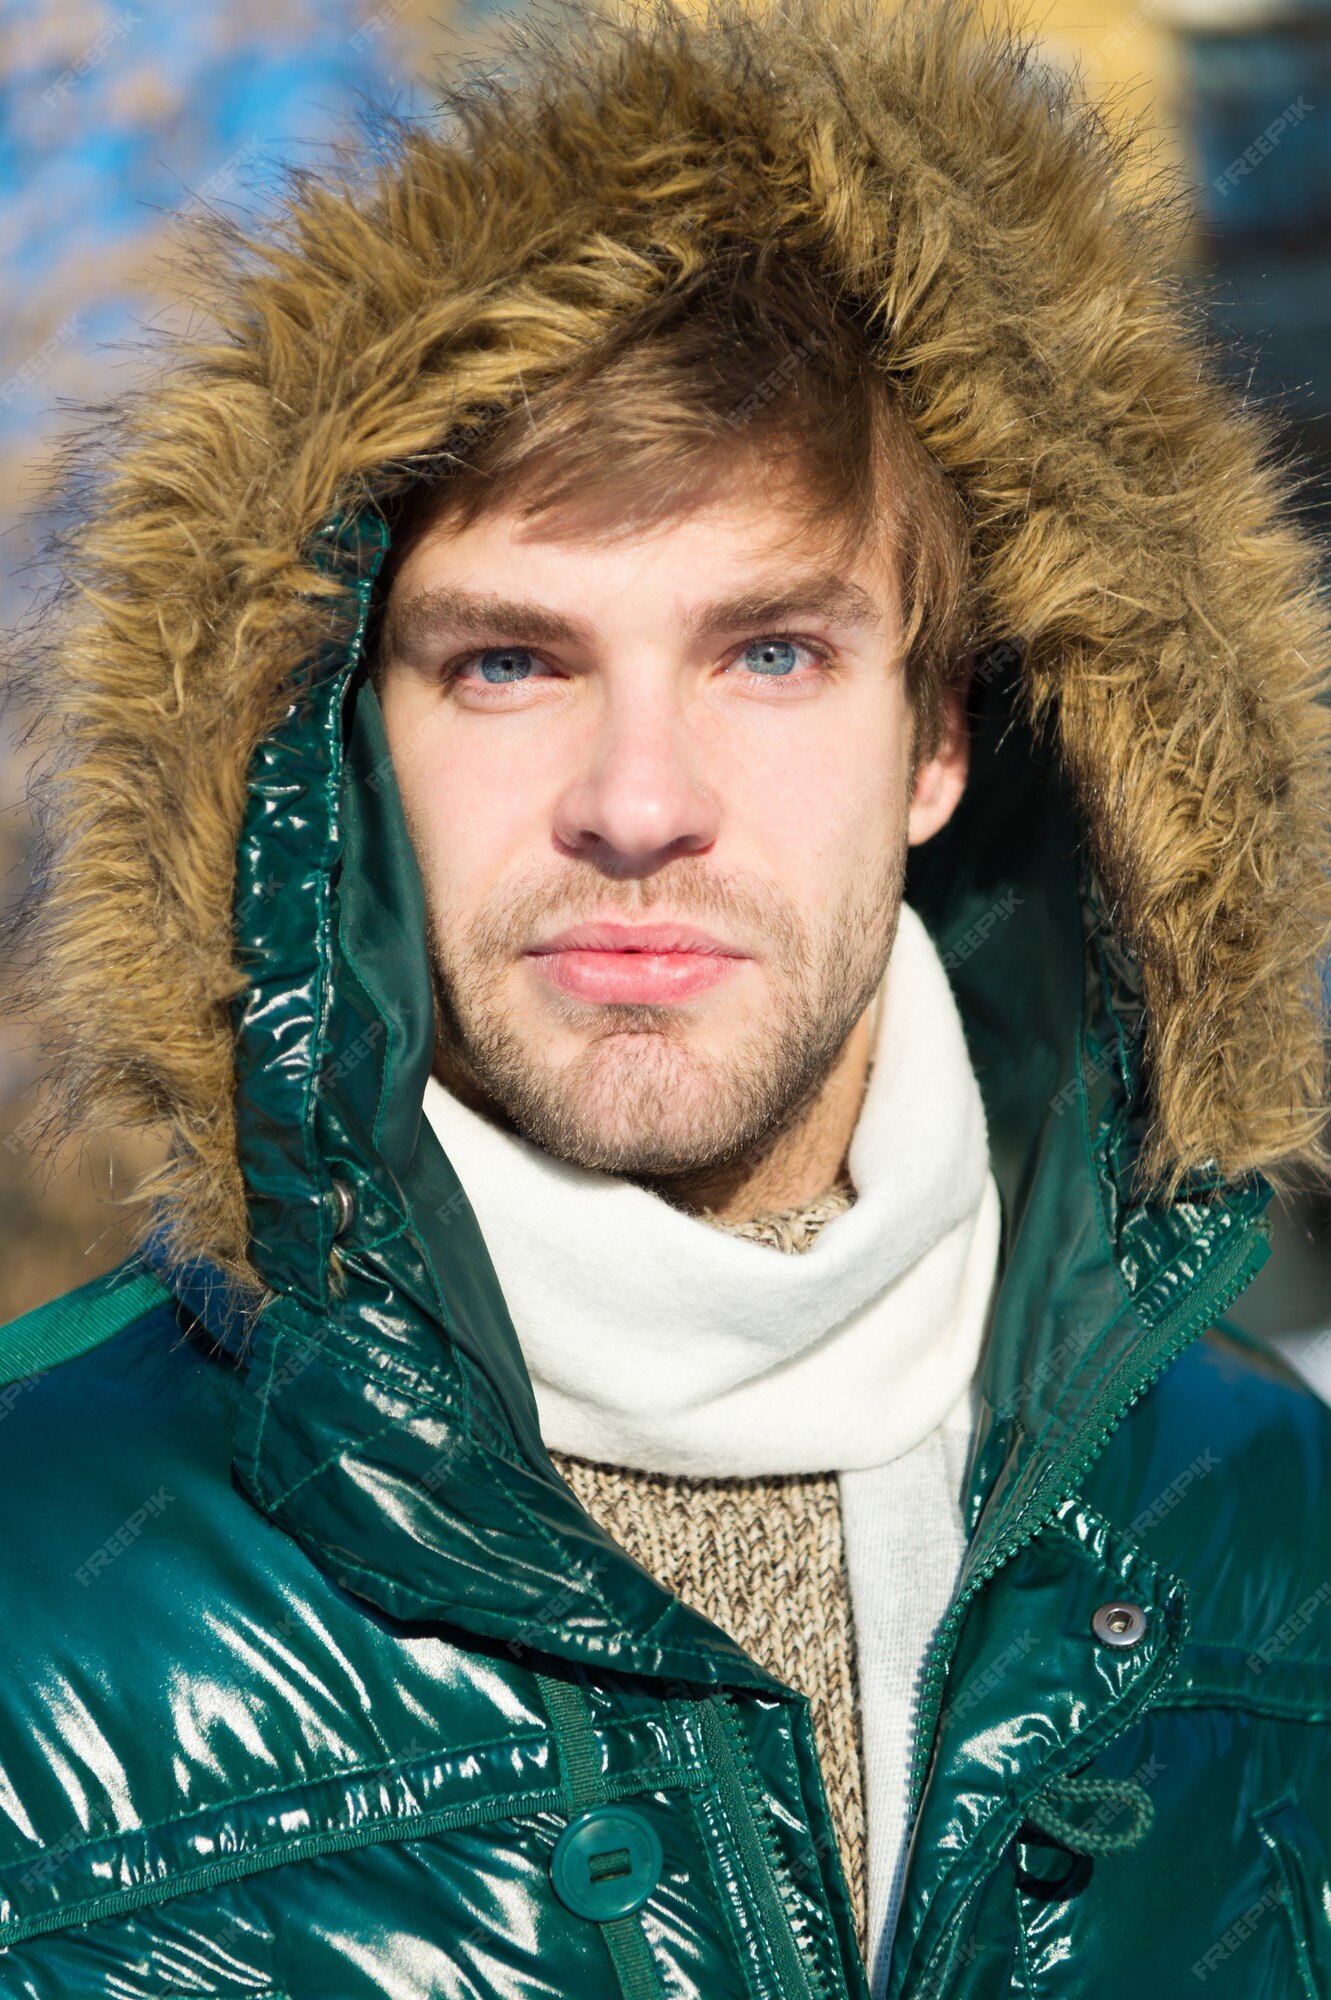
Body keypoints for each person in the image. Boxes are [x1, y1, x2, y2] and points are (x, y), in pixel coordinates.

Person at [2, 0, 1329, 1992]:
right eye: (509, 662)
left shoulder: (1278, 1548)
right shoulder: (34, 1608)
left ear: (944, 739)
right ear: (338, 739)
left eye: (771, 653)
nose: (640, 805)